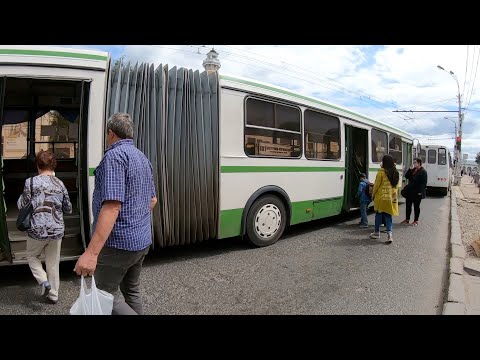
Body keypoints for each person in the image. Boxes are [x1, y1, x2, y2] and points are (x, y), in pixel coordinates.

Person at [74, 112, 158, 315]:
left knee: (105, 294)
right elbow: (153, 200)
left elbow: (112, 207)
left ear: (111, 133)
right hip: (141, 241)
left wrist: (91, 253)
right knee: (131, 291)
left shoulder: (114, 157)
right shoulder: (142, 157)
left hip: (117, 245)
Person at [17, 150, 72, 304]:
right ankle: (54, 295)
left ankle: (43, 281)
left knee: (32, 256)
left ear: (38, 165)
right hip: (56, 230)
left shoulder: (31, 182)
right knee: (53, 263)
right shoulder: (60, 183)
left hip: (36, 230)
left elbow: (21, 204)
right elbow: (68, 208)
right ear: (53, 164)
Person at [369, 154, 400, 244]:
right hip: (391, 198)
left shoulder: (381, 172)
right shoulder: (395, 172)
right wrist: (394, 198)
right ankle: (389, 234)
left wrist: (373, 195)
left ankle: (376, 232)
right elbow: (396, 187)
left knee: (378, 215)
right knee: (388, 216)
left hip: (381, 198)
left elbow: (376, 185)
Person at [401, 158, 427, 226]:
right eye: (414, 162)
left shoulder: (423, 171)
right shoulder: (413, 170)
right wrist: (410, 169)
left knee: (416, 206)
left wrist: (420, 192)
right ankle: (407, 219)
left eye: (415, 162)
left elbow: (424, 183)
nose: (414, 164)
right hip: (410, 191)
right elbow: (406, 176)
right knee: (408, 206)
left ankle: (416, 220)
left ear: (419, 163)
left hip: (417, 192)